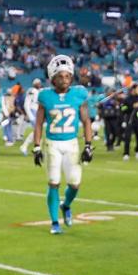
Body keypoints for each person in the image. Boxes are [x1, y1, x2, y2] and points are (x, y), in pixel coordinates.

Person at [31, 54, 94, 235]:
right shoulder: (45, 96)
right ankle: (54, 222)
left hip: (72, 144)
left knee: (75, 184)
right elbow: (38, 124)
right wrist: (36, 147)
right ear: (53, 78)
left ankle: (65, 205)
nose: (64, 79)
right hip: (52, 144)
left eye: (67, 76)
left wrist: (88, 145)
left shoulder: (79, 94)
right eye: (60, 76)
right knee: (54, 182)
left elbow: (86, 121)